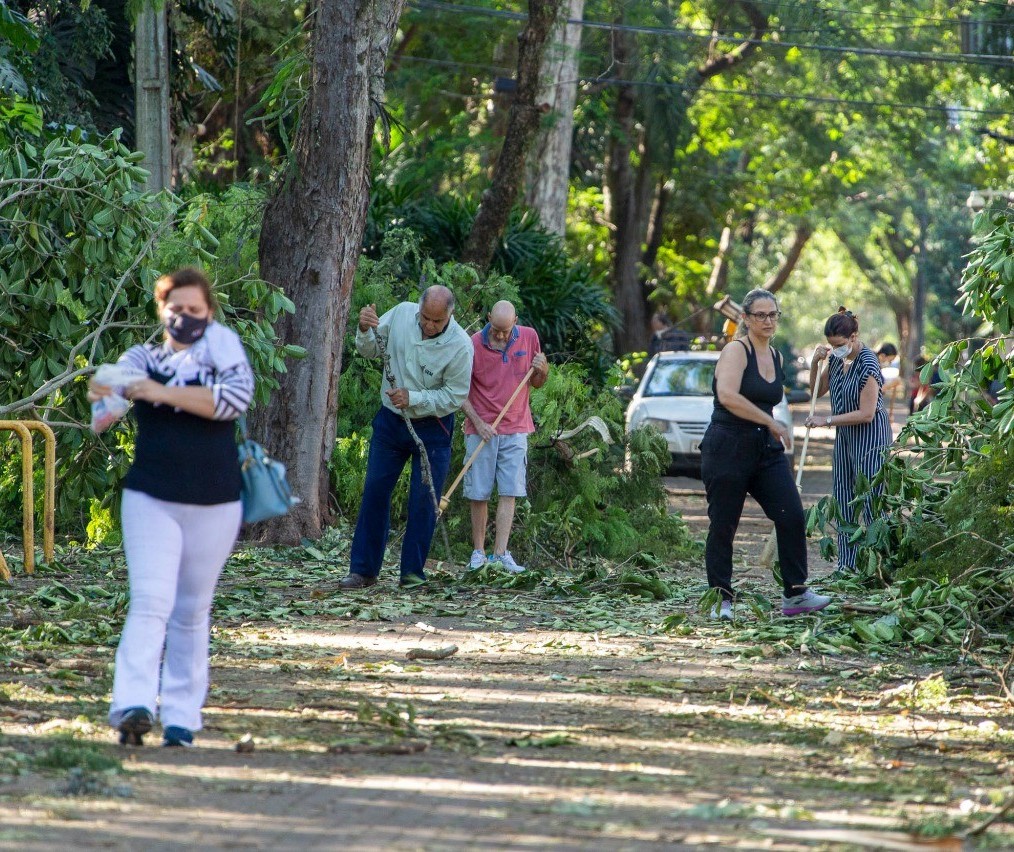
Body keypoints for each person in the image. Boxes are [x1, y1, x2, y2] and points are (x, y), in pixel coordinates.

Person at [88, 268, 254, 747]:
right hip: (151, 496)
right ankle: (132, 705)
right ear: (161, 310)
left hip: (216, 501)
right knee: (151, 602)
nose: (185, 318)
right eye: (175, 309)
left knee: (192, 609)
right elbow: (101, 414)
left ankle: (181, 717)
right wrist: (106, 390)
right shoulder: (143, 356)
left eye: (195, 311)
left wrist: (159, 392)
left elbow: (233, 400)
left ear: (210, 314)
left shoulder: (223, 352)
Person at [701, 289, 831, 620]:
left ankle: (796, 594)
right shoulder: (736, 351)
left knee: (791, 515)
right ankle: (721, 599)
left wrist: (771, 426)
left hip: (764, 449)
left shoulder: (775, 356)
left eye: (773, 314)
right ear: (745, 318)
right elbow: (728, 396)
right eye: (761, 315)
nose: (769, 320)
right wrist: (770, 421)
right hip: (728, 444)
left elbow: (792, 396)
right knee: (724, 524)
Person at [339, 286, 473, 590]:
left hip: (433, 427)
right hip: (390, 422)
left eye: (437, 322)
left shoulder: (461, 346)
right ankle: (363, 570)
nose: (429, 325)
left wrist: (413, 397)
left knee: (424, 501)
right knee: (374, 491)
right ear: (419, 309)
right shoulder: (400, 314)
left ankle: (412, 575)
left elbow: (454, 396)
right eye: (425, 318)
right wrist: (364, 328)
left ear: (450, 316)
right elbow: (371, 349)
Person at [460, 301, 549, 573]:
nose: (500, 336)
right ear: (488, 318)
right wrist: (478, 422)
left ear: (516, 322)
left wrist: (542, 369)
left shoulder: (529, 336)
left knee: (509, 491)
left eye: (505, 331)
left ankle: (500, 554)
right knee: (479, 492)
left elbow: (537, 382)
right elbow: (458, 391)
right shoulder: (472, 344)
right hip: (481, 429)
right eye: (496, 330)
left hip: (516, 426)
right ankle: (478, 553)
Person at [805, 307, 894, 574]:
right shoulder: (834, 360)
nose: (835, 350)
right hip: (845, 436)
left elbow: (867, 414)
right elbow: (816, 391)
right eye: (831, 346)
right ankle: (847, 564)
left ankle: (878, 564)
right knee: (843, 496)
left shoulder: (868, 362)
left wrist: (827, 421)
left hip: (870, 436)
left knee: (871, 499)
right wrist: (814, 363)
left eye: (840, 345)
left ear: (854, 337)